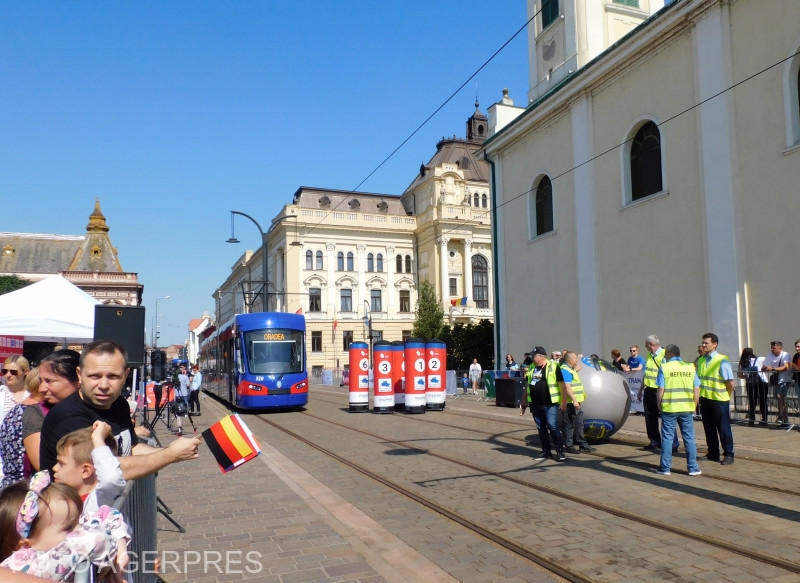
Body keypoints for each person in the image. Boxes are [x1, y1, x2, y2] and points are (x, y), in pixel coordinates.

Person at [39, 340, 200, 480]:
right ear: (80, 375)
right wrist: (169, 455)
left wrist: (172, 450)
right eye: (95, 376)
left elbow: (132, 449)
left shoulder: (119, 404)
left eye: (113, 376)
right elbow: (106, 470)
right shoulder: (68, 416)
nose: (103, 385)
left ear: (125, 375)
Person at [0, 470, 129, 581]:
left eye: (78, 521)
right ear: (26, 546)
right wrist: (113, 539)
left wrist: (120, 545)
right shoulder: (26, 567)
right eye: (68, 528)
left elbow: (107, 513)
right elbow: (96, 539)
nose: (82, 528)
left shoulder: (60, 556)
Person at [53, 422, 125, 515]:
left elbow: (110, 478)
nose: (54, 468)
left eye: (61, 463)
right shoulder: (68, 501)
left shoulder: (100, 501)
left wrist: (98, 438)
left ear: (85, 471)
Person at [0, 367, 46, 488]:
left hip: (10, 487)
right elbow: (41, 465)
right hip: (23, 489)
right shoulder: (32, 413)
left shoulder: (16, 411)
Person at [697, 332, 735, 465]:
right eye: (703, 343)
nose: (703, 345)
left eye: (706, 343)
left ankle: (729, 454)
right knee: (709, 428)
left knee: (724, 429)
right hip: (705, 400)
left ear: (715, 344)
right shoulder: (701, 360)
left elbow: (730, 383)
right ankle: (713, 452)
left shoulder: (721, 360)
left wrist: (726, 396)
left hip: (719, 401)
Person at [637, 335, 677, 453]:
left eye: (646, 345)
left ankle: (673, 444)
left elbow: (668, 373)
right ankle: (654, 441)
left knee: (666, 418)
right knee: (650, 418)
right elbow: (647, 373)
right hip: (649, 390)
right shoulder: (650, 355)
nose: (645, 347)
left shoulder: (665, 354)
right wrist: (641, 389)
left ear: (650, 344)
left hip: (660, 390)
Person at [526, 346, 565, 462]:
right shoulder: (532, 368)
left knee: (552, 426)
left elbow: (562, 384)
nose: (531, 358)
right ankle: (545, 451)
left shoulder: (553, 366)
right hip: (535, 404)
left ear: (541, 356)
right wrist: (524, 401)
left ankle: (560, 451)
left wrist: (563, 401)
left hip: (550, 403)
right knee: (541, 428)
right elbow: (527, 384)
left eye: (533, 356)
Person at [0, 356, 31, 483]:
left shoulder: (32, 396)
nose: (8, 375)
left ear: (26, 372)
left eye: (13, 372)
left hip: (24, 455)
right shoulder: (1, 394)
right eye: (4, 371)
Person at [558, 351, 594, 453]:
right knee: (569, 424)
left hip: (575, 402)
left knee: (579, 423)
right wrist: (574, 401)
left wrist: (578, 357)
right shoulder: (565, 370)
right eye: (575, 359)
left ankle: (582, 443)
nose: (577, 361)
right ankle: (569, 445)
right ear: (570, 360)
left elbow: (579, 367)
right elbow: (567, 387)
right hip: (570, 402)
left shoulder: (570, 369)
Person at [762, 340, 792, 425]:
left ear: (780, 348)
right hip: (775, 380)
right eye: (771, 348)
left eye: (774, 348)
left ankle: (785, 420)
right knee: (779, 399)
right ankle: (782, 417)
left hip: (785, 379)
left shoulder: (785, 355)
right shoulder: (769, 355)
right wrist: (767, 368)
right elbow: (764, 367)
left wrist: (772, 368)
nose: (772, 349)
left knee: (780, 397)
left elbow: (785, 367)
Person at [738, 347, 767, 426]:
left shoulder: (743, 362)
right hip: (762, 382)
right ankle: (764, 419)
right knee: (763, 401)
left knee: (752, 402)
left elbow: (740, 375)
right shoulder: (760, 359)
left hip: (750, 383)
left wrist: (747, 376)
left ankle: (751, 420)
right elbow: (768, 364)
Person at [173, 365, 190, 435]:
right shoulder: (185, 377)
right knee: (185, 405)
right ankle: (185, 413)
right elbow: (188, 385)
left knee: (177, 411)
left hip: (177, 395)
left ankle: (179, 426)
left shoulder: (174, 378)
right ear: (182, 370)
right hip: (184, 394)